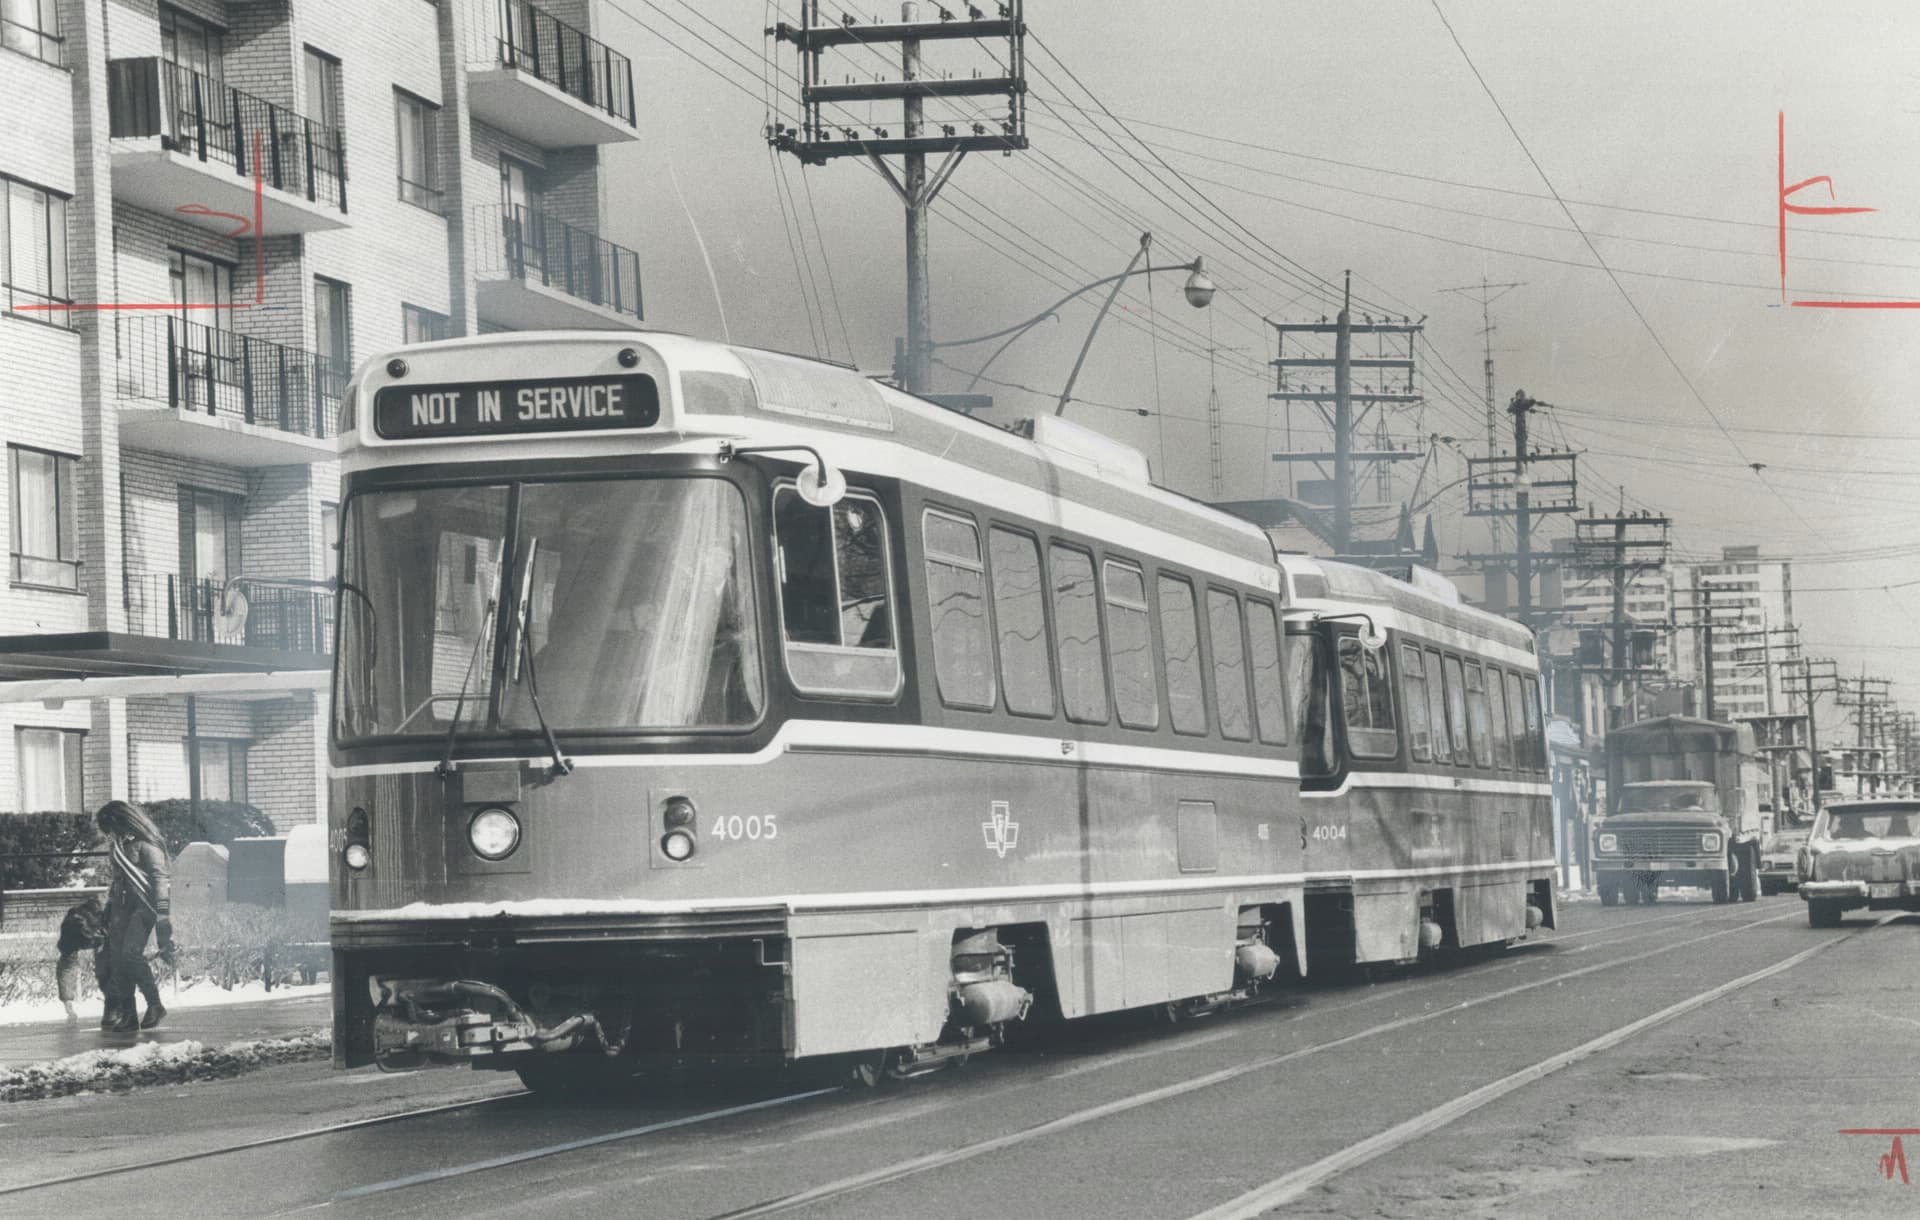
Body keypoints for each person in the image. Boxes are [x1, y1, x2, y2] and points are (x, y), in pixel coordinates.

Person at [97, 800, 174, 1032]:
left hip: (144, 906)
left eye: (110, 828)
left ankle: (154, 1004)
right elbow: (117, 880)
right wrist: (108, 911)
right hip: (120, 907)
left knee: (131, 954)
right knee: (118, 961)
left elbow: (160, 881)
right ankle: (128, 1014)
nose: (109, 834)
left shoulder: (147, 846)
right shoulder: (118, 847)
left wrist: (162, 913)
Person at [54, 894, 111, 1026]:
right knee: (69, 965)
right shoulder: (75, 924)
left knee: (69, 965)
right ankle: (112, 1000)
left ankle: (112, 1000)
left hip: (88, 930)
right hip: (81, 931)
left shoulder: (77, 919)